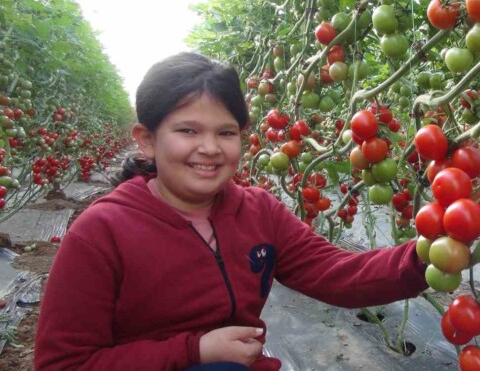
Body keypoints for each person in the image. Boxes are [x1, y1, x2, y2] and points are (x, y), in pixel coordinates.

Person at [34, 52, 428, 371]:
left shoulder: (258, 211)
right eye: (188, 131)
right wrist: (195, 351)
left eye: (226, 133)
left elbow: (336, 275)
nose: (210, 148)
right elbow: (62, 363)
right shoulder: (101, 232)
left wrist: (427, 254)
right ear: (147, 140)